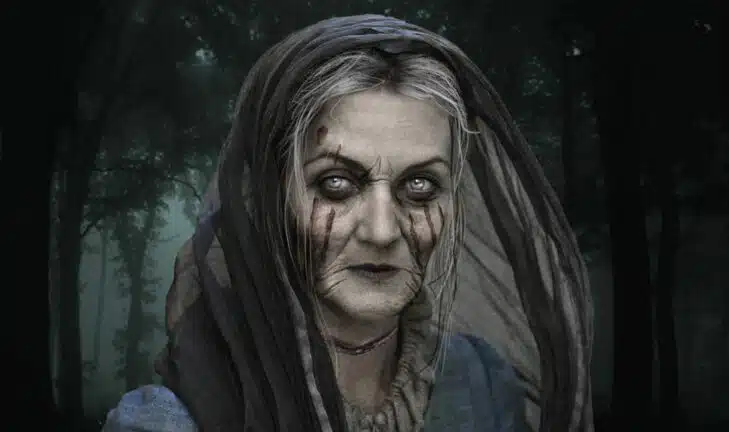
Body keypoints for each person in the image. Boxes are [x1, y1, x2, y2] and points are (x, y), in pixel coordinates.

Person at [102, 14, 593, 432]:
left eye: (420, 185)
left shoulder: (483, 384)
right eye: (336, 183)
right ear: (273, 199)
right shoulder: (167, 423)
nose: (382, 231)